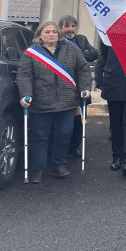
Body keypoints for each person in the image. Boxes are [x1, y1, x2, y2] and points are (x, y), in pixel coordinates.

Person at [17, 22, 91, 183]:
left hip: (67, 103)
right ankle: (38, 170)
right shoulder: (31, 53)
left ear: (59, 34)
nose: (51, 35)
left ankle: (59, 165)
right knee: (39, 137)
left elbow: (83, 69)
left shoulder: (72, 49)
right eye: (47, 32)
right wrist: (25, 94)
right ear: (40, 35)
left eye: (54, 32)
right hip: (41, 103)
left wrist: (85, 87)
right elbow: (24, 76)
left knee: (63, 135)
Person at [58, 15, 98, 160]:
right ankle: (61, 149)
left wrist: (79, 56)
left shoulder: (81, 39)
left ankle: (74, 148)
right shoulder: (57, 41)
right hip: (65, 87)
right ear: (61, 28)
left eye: (73, 26)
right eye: (67, 26)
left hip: (81, 87)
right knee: (64, 123)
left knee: (80, 121)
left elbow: (94, 53)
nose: (70, 29)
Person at [97, 41, 126, 175]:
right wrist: (99, 80)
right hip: (114, 81)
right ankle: (117, 156)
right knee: (115, 123)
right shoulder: (108, 32)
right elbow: (103, 55)